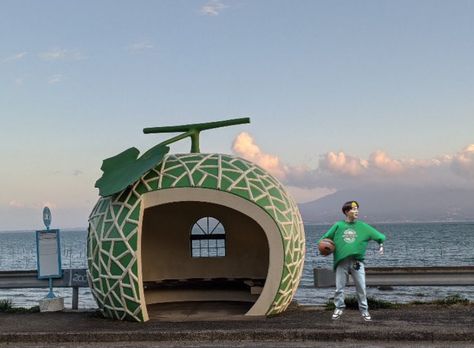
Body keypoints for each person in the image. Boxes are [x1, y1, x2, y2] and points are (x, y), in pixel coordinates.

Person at [319, 201, 385, 321]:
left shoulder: (362, 226)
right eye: (353, 209)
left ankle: (364, 310)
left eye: (357, 209)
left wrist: (380, 244)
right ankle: (338, 308)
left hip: (357, 263)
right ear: (346, 212)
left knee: (361, 287)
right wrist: (324, 249)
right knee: (339, 288)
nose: (356, 211)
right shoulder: (338, 226)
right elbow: (325, 239)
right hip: (341, 262)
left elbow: (379, 236)